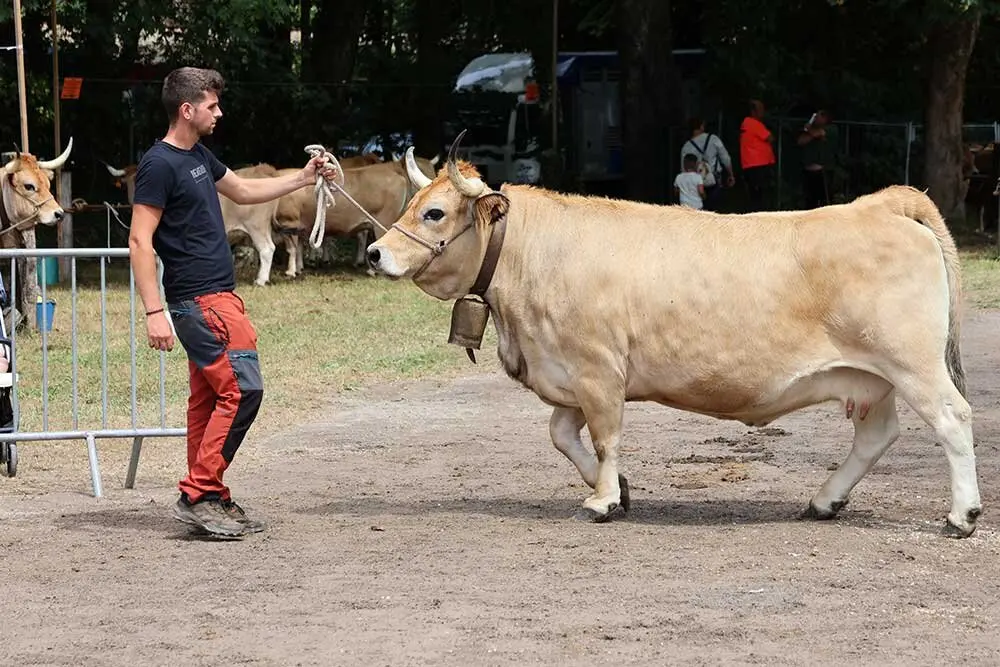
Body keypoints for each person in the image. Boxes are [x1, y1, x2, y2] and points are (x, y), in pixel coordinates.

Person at [129, 67, 338, 538]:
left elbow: (243, 190)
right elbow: (140, 242)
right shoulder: (159, 165)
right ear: (188, 110)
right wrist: (153, 312)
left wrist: (303, 178)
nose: (218, 113)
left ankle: (210, 497)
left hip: (216, 299)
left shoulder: (198, 155)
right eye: (212, 106)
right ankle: (199, 492)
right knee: (243, 390)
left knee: (207, 401)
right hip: (201, 304)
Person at [680, 118, 735, 212]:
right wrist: (731, 174)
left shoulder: (686, 147)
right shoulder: (713, 139)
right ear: (701, 126)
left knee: (699, 213)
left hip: (696, 185)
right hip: (714, 180)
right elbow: (725, 158)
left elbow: (684, 169)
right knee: (715, 211)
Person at [739, 99, 776, 211]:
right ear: (753, 111)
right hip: (758, 164)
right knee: (760, 196)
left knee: (754, 194)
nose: (763, 112)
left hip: (750, 164)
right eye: (761, 109)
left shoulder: (747, 124)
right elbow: (770, 138)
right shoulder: (754, 124)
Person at [797, 109, 835, 209]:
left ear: (824, 118)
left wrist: (808, 129)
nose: (815, 119)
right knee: (810, 201)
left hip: (822, 171)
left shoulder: (830, 129)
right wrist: (809, 131)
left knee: (824, 201)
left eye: (817, 117)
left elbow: (818, 133)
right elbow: (801, 141)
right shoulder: (810, 132)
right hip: (808, 170)